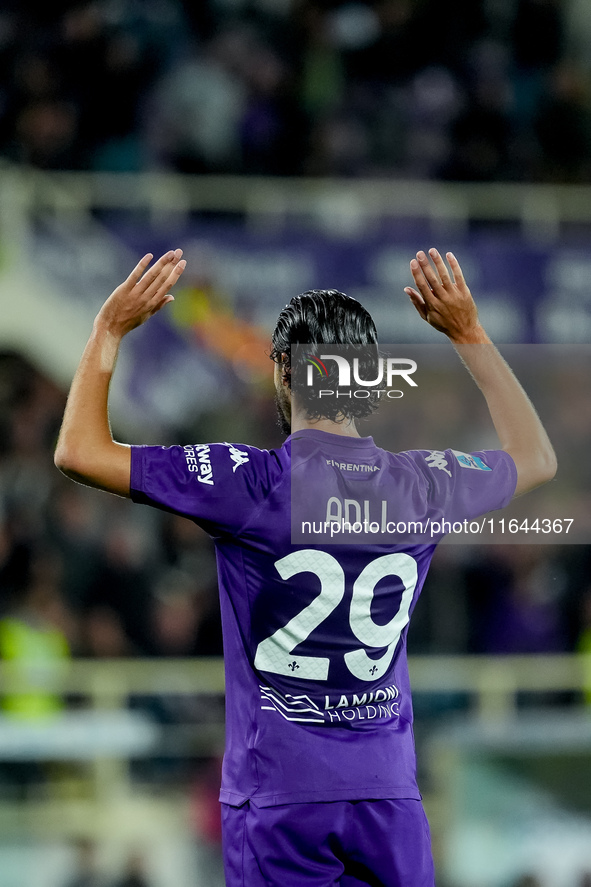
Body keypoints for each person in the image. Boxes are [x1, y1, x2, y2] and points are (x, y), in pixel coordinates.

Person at [54, 247, 556, 886]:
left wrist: (108, 330)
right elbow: (535, 457)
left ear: (285, 375)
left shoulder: (250, 482)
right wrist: (469, 334)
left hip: (281, 798)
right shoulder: (424, 485)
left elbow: (79, 451)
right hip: (388, 799)